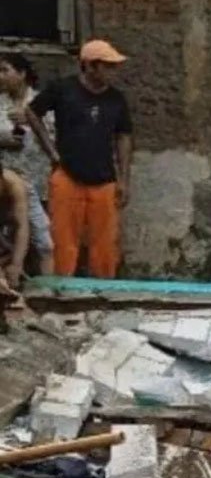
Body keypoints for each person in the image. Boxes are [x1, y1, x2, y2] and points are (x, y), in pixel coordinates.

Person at [12, 40, 132, 279]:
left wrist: (124, 179)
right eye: (107, 66)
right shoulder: (63, 89)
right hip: (68, 175)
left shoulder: (116, 99)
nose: (112, 71)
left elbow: (124, 137)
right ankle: (63, 290)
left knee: (105, 244)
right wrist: (51, 151)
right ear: (90, 66)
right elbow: (32, 112)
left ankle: (104, 291)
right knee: (64, 240)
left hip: (104, 178)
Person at [0, 54, 54, 276]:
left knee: (38, 234)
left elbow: (54, 138)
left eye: (5, 70)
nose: (0, 76)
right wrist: (5, 137)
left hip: (36, 178)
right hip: (6, 180)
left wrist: (31, 120)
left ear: (22, 74)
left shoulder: (41, 103)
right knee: (9, 238)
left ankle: (41, 285)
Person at [0, 163, 43, 291]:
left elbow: (22, 226)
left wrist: (16, 264)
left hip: (21, 195)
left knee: (45, 245)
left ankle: (46, 290)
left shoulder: (16, 185)